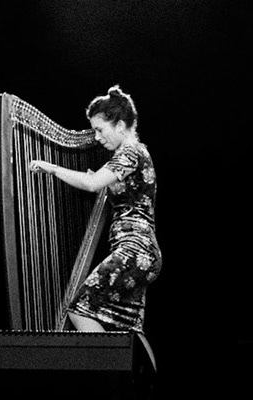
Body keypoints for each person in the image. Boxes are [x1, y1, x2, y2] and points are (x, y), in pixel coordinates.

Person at [26, 85, 161, 336]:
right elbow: (109, 186)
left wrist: (52, 168)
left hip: (134, 249)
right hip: (143, 252)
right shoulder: (136, 153)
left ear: (120, 125)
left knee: (78, 309)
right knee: (129, 327)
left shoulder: (130, 152)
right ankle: (133, 374)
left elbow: (91, 184)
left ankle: (107, 367)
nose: (97, 137)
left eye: (100, 129)